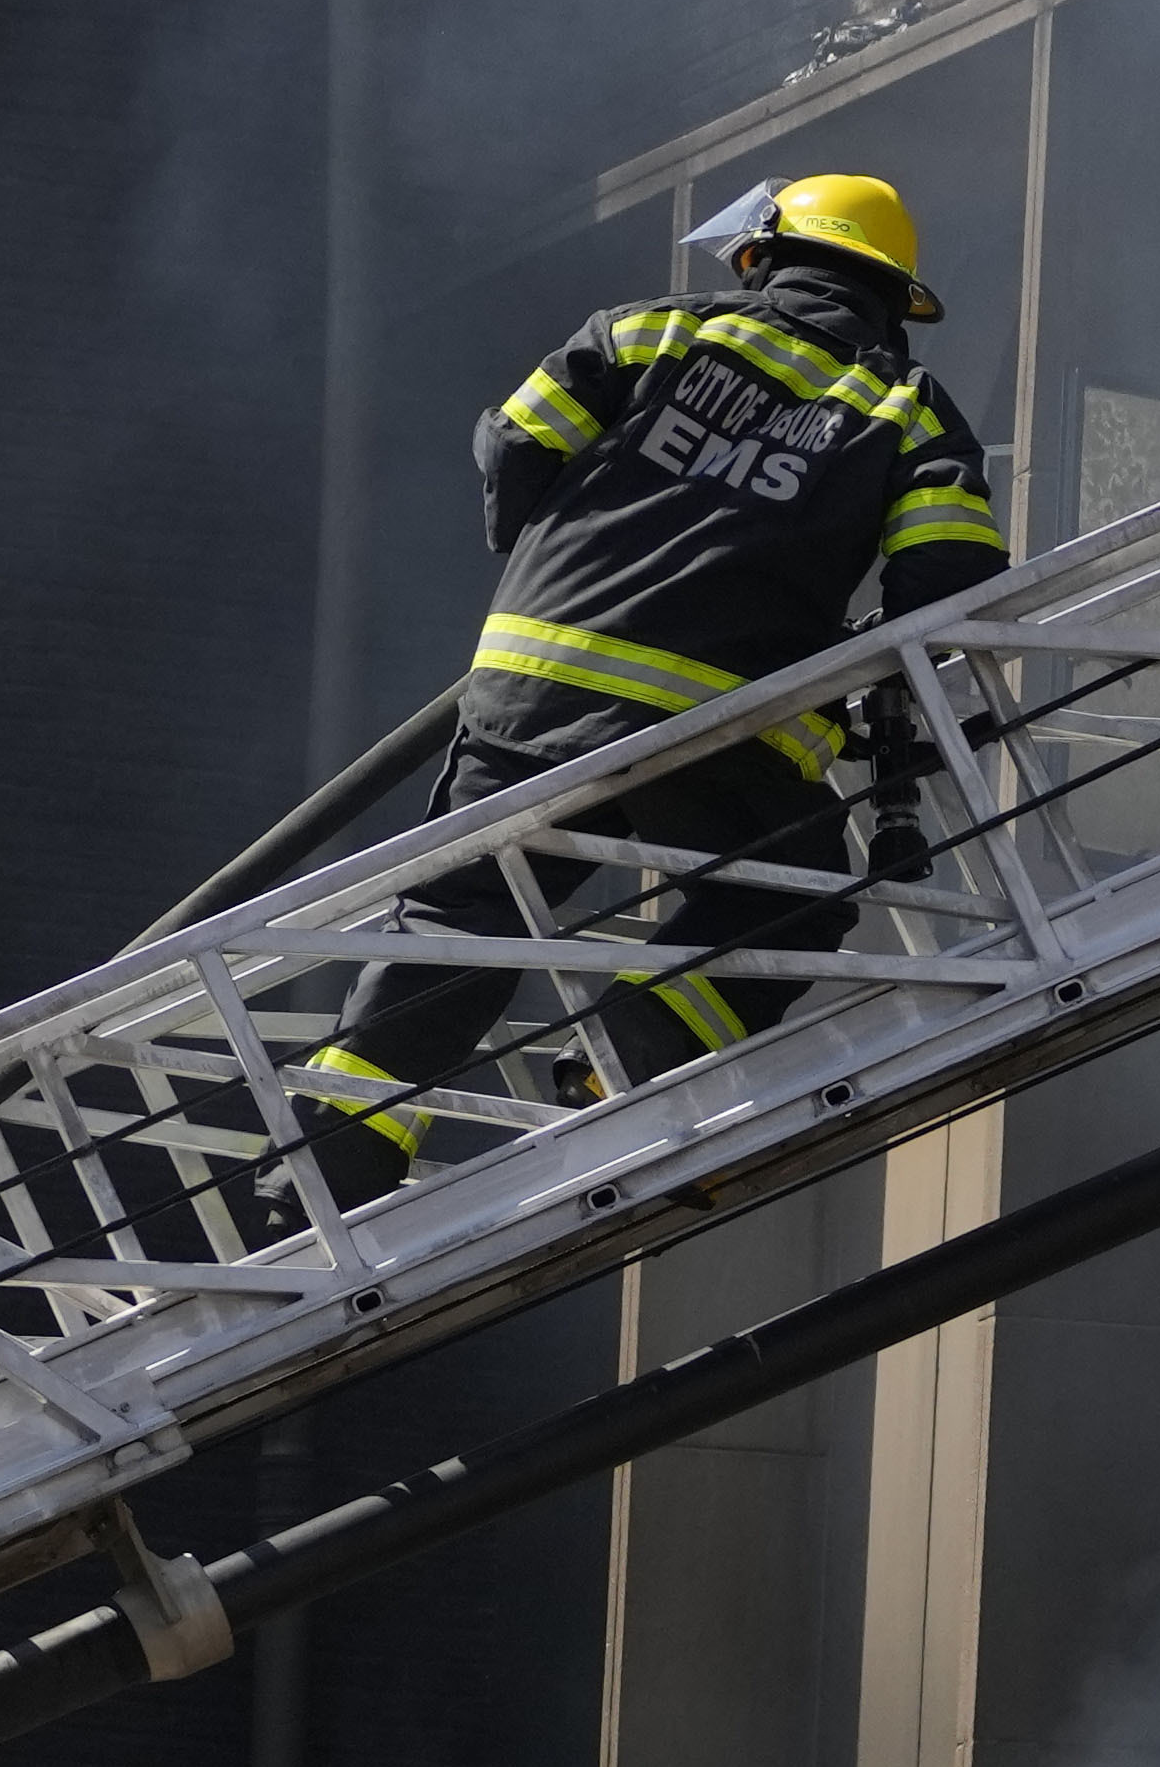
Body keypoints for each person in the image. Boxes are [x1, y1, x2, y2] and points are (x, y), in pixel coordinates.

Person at [301, 173, 1007, 1160]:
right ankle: (633, 1054)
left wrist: (542, 559)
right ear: (893, 302)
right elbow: (952, 574)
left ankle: (342, 1147)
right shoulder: (906, 405)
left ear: (764, 258)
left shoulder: (644, 331)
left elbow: (515, 441)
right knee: (792, 893)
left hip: (537, 682)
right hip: (723, 722)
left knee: (467, 909)